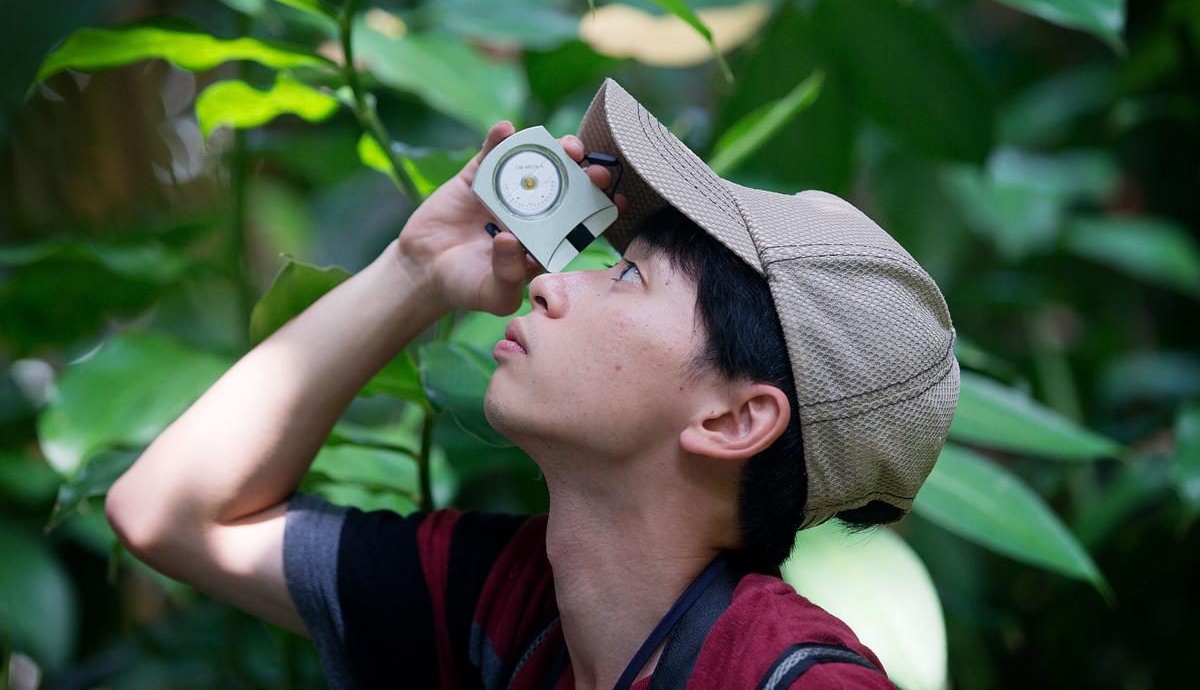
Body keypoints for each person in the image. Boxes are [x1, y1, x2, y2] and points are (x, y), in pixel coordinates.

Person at [106, 78, 959, 689]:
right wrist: (416, 270)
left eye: (627, 278)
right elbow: (168, 513)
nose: (551, 282)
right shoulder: (502, 607)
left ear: (737, 419)